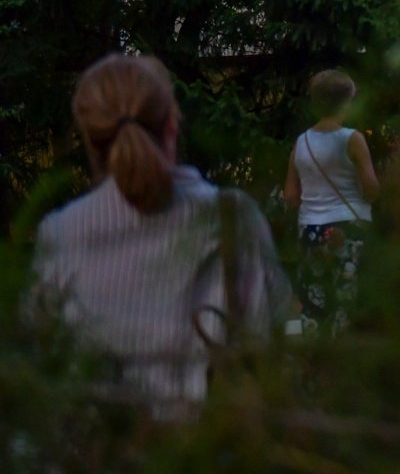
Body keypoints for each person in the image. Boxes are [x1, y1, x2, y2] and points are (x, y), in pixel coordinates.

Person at [30, 54, 291, 414]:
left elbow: (42, 363)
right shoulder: (233, 217)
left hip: (97, 459)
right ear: (172, 123)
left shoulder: (59, 233)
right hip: (208, 456)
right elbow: (266, 338)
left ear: (90, 139)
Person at [284, 69, 379, 335]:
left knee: (315, 301)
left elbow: (291, 196)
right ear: (347, 102)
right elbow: (372, 189)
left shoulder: (301, 143)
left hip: (311, 230)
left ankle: (314, 363)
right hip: (350, 229)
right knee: (349, 302)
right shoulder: (352, 139)